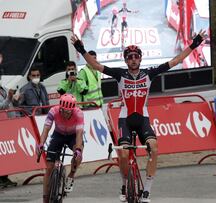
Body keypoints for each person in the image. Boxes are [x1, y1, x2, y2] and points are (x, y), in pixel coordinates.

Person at [71, 30, 206, 202]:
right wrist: (81, 49)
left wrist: (194, 44)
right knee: (125, 154)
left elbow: (176, 60)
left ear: (140, 58)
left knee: (154, 148)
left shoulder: (148, 74)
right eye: (129, 57)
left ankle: (147, 190)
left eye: (136, 56)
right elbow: (96, 66)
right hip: (125, 119)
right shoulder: (120, 74)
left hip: (142, 119)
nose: (133, 59)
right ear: (126, 60)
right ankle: (124, 182)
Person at [36, 94, 84, 203]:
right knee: (49, 167)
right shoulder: (53, 111)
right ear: (60, 108)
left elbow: (79, 134)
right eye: (63, 111)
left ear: (73, 110)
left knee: (78, 154)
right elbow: (46, 129)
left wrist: (78, 150)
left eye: (68, 112)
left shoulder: (79, 113)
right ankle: (45, 198)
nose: (66, 114)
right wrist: (41, 144)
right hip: (59, 134)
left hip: (73, 136)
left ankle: (71, 175)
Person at [0, 53, 17, 189]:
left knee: (6, 155)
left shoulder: (3, 89)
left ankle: (4, 178)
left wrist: (15, 98)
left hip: (7, 125)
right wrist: (9, 98)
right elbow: (2, 106)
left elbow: (10, 103)